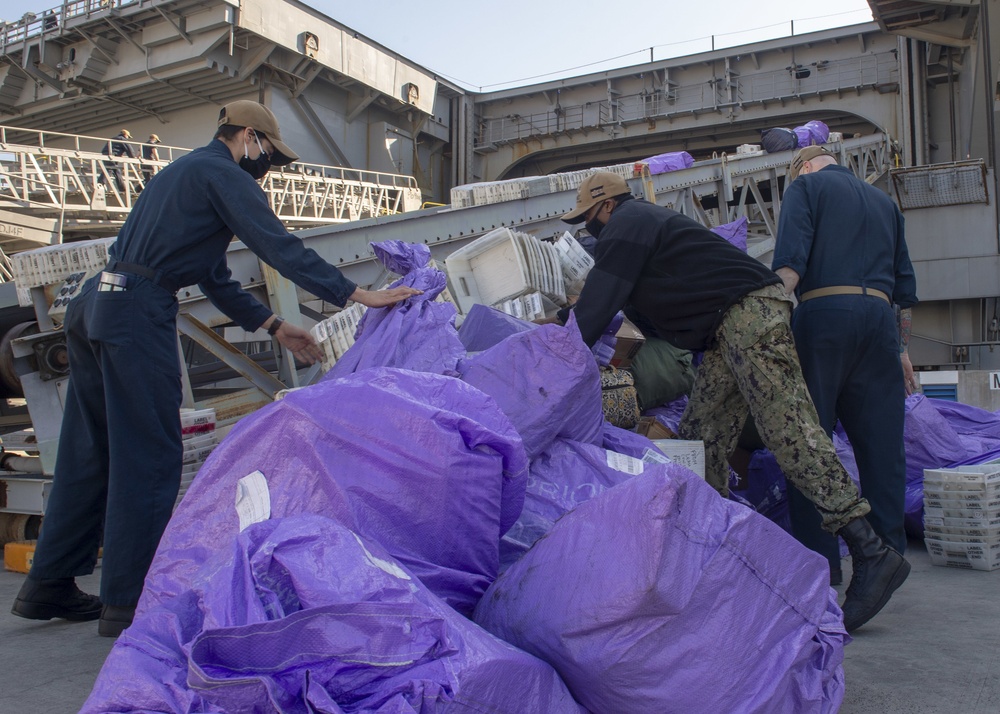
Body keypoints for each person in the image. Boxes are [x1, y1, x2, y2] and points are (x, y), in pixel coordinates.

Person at [11, 101, 422, 638]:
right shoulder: (223, 172)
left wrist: (275, 326)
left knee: (90, 450)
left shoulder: (179, 175)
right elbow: (275, 244)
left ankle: (48, 584)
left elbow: (213, 277)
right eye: (270, 157)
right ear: (249, 137)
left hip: (96, 306)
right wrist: (357, 293)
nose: (268, 169)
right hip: (136, 311)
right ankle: (129, 601)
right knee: (150, 455)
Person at [551, 171, 910, 632]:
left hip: (749, 316)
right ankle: (713, 562)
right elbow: (617, 303)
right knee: (704, 440)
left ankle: (872, 551)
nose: (589, 229)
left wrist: (557, 357)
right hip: (726, 330)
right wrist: (568, 315)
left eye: (587, 218)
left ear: (605, 206)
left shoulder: (629, 220)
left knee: (790, 431)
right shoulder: (641, 233)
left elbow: (601, 299)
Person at [772, 145, 917, 581]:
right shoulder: (885, 204)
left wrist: (768, 320)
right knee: (883, 449)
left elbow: (791, 267)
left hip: (823, 317)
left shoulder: (806, 188)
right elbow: (904, 293)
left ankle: (822, 566)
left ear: (804, 167)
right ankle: (888, 558)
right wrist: (902, 350)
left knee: (807, 441)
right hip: (880, 324)